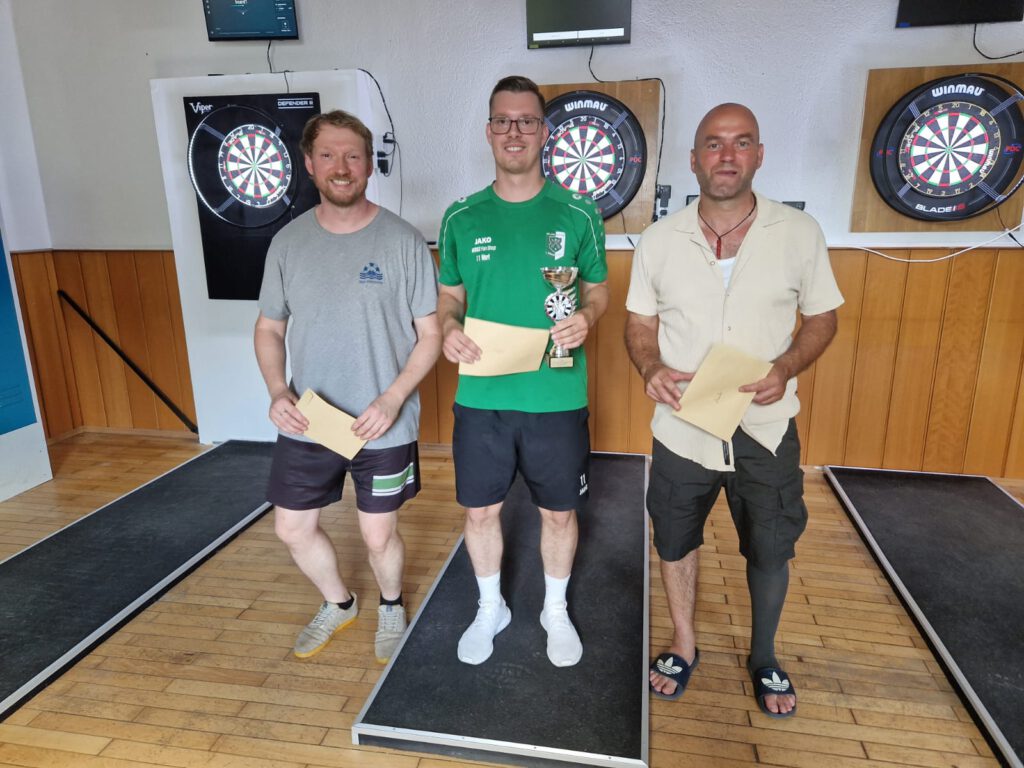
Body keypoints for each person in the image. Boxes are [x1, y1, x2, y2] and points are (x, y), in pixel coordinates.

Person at [624, 103, 842, 716]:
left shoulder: (799, 233)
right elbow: (639, 324)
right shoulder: (659, 240)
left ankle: (764, 655)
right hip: (682, 427)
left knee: (771, 546)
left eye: (741, 142)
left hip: (765, 429)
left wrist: (785, 367)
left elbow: (822, 317)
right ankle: (684, 642)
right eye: (714, 144)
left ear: (759, 155)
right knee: (674, 539)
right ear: (694, 159)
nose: (726, 155)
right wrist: (650, 367)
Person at [254, 109, 440, 664]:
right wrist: (277, 391)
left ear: (368, 165)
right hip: (311, 418)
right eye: (329, 155)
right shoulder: (287, 244)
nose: (342, 167)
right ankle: (339, 603)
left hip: (383, 422)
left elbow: (430, 335)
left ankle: (390, 604)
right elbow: (268, 328)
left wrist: (393, 398)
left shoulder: (403, 241)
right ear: (309, 165)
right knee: (291, 528)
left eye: (353, 156)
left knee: (379, 536)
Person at [437, 76, 609, 667]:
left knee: (558, 513)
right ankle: (491, 607)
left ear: (544, 131)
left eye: (527, 120)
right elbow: (449, 298)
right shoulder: (460, 216)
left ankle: (554, 610)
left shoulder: (579, 213)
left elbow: (599, 290)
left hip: (555, 394)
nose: (515, 132)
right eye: (503, 121)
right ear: (489, 131)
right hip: (481, 394)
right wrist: (449, 327)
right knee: (479, 511)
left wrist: (587, 316)